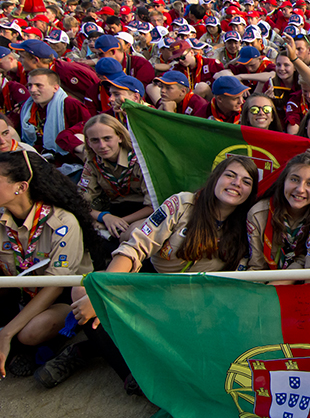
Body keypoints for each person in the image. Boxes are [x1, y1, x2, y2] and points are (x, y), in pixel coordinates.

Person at [0, 151, 99, 379]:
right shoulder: (3, 220)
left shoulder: (62, 222)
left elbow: (55, 285)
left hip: (62, 298)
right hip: (22, 294)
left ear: (21, 187)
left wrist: (7, 333)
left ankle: (35, 345)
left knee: (30, 333)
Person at [99, 155, 259, 274]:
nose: (236, 183)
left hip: (203, 298)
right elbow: (136, 246)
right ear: (215, 178)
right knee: (84, 290)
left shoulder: (248, 225)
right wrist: (105, 290)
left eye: (246, 182)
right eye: (230, 175)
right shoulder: (182, 203)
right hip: (153, 282)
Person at [247, 152, 310, 273]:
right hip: (267, 283)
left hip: (305, 282)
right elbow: (256, 266)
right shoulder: (258, 214)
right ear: (283, 180)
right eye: (294, 179)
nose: (300, 189)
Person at [78, 115, 153, 242]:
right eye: (95, 140)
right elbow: (80, 202)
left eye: (107, 138)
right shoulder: (93, 163)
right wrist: (105, 217)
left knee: (132, 236)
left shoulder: (141, 159)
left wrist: (119, 222)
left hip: (143, 212)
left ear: (120, 137)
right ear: (88, 143)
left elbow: (153, 205)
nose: (102, 145)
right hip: (113, 210)